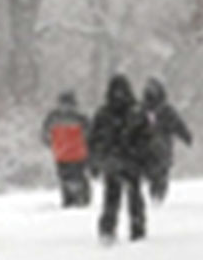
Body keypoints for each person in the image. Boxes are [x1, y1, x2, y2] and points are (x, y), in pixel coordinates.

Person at [88, 73, 153, 243]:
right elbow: (147, 138)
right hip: (132, 160)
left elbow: (93, 140)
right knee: (134, 195)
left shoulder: (103, 113)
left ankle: (108, 229)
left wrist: (94, 161)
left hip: (112, 161)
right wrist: (147, 160)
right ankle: (137, 228)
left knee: (112, 196)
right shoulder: (137, 112)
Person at [140, 76, 193, 203]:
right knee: (160, 171)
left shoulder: (143, 109)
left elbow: (177, 124)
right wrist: (186, 136)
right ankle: (158, 192)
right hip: (160, 148)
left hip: (149, 148)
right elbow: (178, 125)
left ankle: (156, 192)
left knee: (155, 171)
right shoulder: (164, 110)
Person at [41, 89, 92, 207]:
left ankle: (69, 199)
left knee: (65, 177)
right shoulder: (81, 118)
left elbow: (45, 135)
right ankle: (81, 198)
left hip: (62, 154)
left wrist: (53, 145)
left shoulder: (53, 117)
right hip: (77, 153)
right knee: (77, 177)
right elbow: (90, 135)